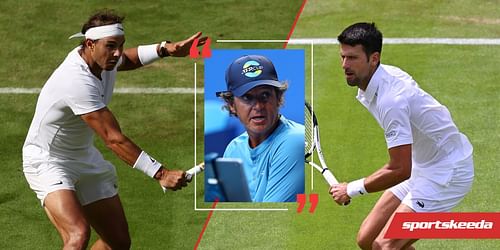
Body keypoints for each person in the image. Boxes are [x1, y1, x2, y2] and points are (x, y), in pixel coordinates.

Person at [22, 10, 207, 249]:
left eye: (120, 45)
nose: (117, 53)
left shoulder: (100, 58)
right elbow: (113, 138)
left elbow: (127, 59)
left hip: (83, 156)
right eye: (111, 46)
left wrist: (164, 49)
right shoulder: (75, 81)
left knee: (117, 243)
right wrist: (161, 174)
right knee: (77, 235)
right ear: (90, 44)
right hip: (47, 161)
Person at [329, 22, 474, 249]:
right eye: (343, 57)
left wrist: (351, 189)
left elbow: (400, 169)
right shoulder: (378, 80)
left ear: (374, 58)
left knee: (385, 246)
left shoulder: (391, 100)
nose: (344, 65)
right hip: (422, 164)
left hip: (447, 172)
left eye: (352, 58)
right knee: (367, 240)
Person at [215, 54, 304, 202]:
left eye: (264, 95)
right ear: (232, 105)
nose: (258, 106)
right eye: (247, 98)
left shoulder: (294, 141)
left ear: (278, 98)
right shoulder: (233, 149)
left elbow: (268, 215)